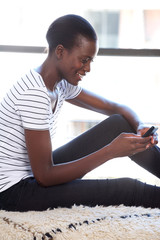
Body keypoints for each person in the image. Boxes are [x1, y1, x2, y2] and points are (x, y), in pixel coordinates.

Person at [0, 14, 160, 212]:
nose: (88, 68)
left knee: (119, 123)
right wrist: (111, 151)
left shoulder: (59, 85)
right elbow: (45, 177)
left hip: (35, 172)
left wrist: (139, 125)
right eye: (84, 60)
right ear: (60, 52)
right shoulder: (34, 94)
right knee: (128, 188)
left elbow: (115, 108)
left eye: (90, 61)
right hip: (16, 192)